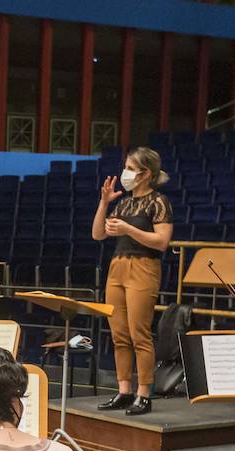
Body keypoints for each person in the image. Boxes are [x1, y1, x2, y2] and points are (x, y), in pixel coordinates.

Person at [92, 146, 174, 417]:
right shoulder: (124, 203)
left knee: (139, 333)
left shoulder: (158, 201)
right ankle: (124, 390)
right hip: (117, 267)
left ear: (145, 173)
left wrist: (128, 228)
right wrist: (104, 202)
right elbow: (98, 235)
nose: (124, 172)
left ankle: (144, 393)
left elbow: (161, 242)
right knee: (118, 334)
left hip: (143, 267)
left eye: (129, 167)